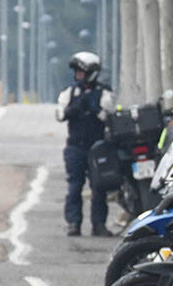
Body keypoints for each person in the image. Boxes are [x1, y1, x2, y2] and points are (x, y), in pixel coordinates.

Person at [56, 51, 116, 237]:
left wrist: (94, 108)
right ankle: (74, 223)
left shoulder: (104, 92)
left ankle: (99, 224)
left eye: (81, 72)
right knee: (74, 185)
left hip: (97, 147)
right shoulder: (70, 92)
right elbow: (60, 114)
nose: (78, 76)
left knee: (99, 187)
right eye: (77, 72)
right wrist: (76, 107)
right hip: (75, 147)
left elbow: (109, 115)